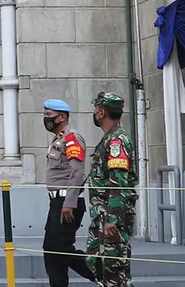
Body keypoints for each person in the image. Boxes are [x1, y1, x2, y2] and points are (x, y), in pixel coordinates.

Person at [42, 98, 96, 286]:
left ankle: (102, 272)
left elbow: (77, 171)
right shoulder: (59, 138)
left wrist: (69, 204)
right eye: (45, 114)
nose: (46, 118)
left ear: (62, 116)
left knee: (60, 248)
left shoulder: (71, 137)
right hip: (57, 202)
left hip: (67, 202)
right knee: (51, 250)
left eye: (49, 115)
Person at [86, 92, 138, 287]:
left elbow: (119, 183)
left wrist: (113, 220)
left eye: (95, 108)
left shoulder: (117, 141)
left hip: (111, 218)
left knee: (115, 269)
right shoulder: (110, 138)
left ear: (101, 112)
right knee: (99, 264)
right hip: (102, 216)